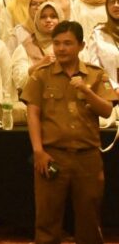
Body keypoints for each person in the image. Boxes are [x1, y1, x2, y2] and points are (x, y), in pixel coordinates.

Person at [21, 21, 116, 244]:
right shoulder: (41, 75)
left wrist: (86, 90)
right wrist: (38, 151)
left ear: (81, 46)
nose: (61, 48)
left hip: (87, 157)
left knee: (89, 219)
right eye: (56, 43)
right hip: (53, 155)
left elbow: (106, 110)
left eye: (67, 43)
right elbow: (32, 114)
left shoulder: (95, 74)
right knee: (47, 219)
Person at [11, 1, 62, 97]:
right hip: (33, 100)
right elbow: (19, 82)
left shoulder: (70, 45)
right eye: (43, 17)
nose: (48, 20)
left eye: (53, 16)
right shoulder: (26, 47)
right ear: (37, 20)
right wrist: (40, 64)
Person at [85, 0, 119, 92]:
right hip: (109, 95)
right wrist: (113, 89)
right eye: (112, 1)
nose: (116, 5)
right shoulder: (98, 33)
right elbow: (96, 70)